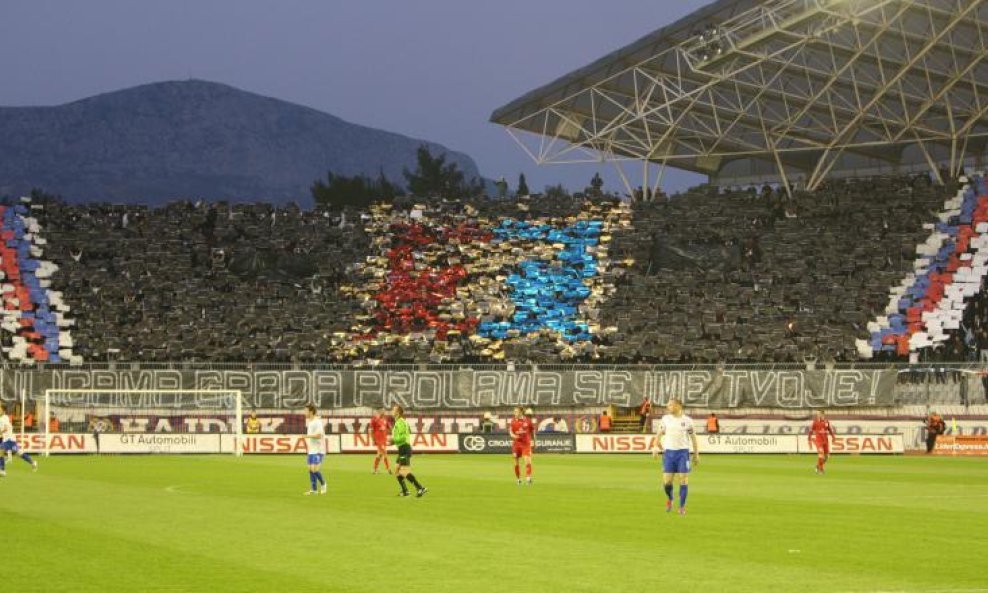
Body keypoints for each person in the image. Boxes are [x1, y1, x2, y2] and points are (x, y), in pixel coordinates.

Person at [652, 399, 698, 515]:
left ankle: (682, 507)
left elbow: (693, 438)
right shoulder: (665, 419)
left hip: (683, 453)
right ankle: (670, 499)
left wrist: (696, 454)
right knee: (667, 482)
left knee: (683, 480)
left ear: (678, 406)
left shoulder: (688, 421)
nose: (668, 407)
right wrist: (655, 447)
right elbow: (659, 434)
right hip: (669, 454)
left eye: (671, 405)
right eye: (668, 405)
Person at [391, 405, 426, 497]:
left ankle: (420, 488)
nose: (392, 411)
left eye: (393, 410)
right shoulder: (399, 422)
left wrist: (394, 440)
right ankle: (405, 491)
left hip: (405, 448)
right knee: (397, 470)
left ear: (398, 413)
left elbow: (403, 436)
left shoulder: (401, 422)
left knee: (404, 471)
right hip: (401, 448)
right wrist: (393, 441)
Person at [0, 404, 37, 476]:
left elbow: (6, 428)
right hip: (7, 439)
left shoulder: (5, 418)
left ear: (3, 411)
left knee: (1, 452)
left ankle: (2, 470)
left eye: (0, 409)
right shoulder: (1, 418)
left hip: (9, 439)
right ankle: (33, 462)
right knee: (19, 454)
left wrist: (1, 432)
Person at [303, 404, 327, 495]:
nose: (304, 412)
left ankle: (323, 483)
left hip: (319, 449)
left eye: (305, 410)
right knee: (310, 469)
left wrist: (307, 436)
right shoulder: (310, 421)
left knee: (314, 469)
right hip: (312, 449)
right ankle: (314, 490)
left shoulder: (317, 422)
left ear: (311, 411)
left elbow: (319, 435)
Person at [509, 406, 535, 485]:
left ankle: (528, 478)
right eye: (514, 411)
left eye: (516, 411)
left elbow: (532, 432)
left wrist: (534, 441)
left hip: (526, 443)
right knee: (516, 462)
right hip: (516, 444)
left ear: (521, 412)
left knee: (527, 460)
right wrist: (513, 436)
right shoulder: (513, 421)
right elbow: (510, 431)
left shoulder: (528, 421)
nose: (514, 413)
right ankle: (518, 479)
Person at [368, 408, 392, 474]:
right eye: (383, 411)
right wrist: (372, 439)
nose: (384, 412)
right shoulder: (374, 420)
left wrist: (390, 430)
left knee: (380, 455)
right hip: (378, 440)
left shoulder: (385, 420)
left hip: (384, 440)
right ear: (379, 412)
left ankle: (375, 469)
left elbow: (389, 427)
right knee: (384, 453)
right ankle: (388, 469)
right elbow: (370, 430)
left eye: (385, 411)